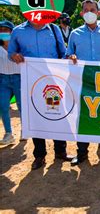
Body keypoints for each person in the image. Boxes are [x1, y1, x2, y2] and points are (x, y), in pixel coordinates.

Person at [8, 16, 72, 170]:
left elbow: (63, 53)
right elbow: (11, 53)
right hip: (32, 83)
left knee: (58, 115)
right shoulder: (18, 31)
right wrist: (14, 56)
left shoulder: (54, 29)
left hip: (54, 81)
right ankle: (39, 155)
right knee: (36, 116)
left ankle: (60, 151)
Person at [67, 0, 100, 166]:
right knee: (83, 116)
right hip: (82, 82)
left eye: (92, 9)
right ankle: (82, 153)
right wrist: (72, 57)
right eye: (86, 9)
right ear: (82, 13)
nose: (89, 12)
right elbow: (69, 54)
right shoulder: (74, 34)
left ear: (98, 13)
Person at [0, 20, 20, 145]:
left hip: (18, 78)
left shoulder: (19, 47)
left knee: (22, 106)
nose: (3, 32)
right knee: (3, 106)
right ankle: (8, 133)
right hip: (3, 80)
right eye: (0, 30)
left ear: (11, 32)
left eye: (5, 30)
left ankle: (26, 130)